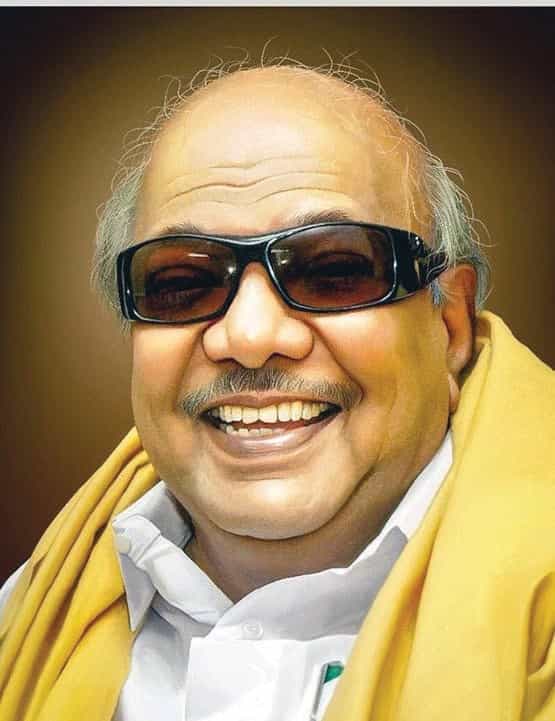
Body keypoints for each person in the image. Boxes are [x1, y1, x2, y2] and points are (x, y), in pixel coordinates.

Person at [0, 61, 553, 721]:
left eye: (335, 270)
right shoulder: (26, 620)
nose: (251, 336)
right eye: (182, 282)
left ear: (449, 326)